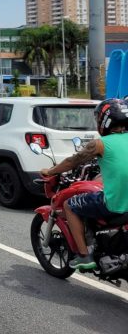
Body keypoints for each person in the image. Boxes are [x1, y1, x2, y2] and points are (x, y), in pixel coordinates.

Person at [40, 97, 128, 270]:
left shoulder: (99, 144)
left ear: (105, 120)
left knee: (70, 205)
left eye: (97, 119)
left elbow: (72, 162)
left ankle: (84, 256)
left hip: (116, 205)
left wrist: (50, 172)